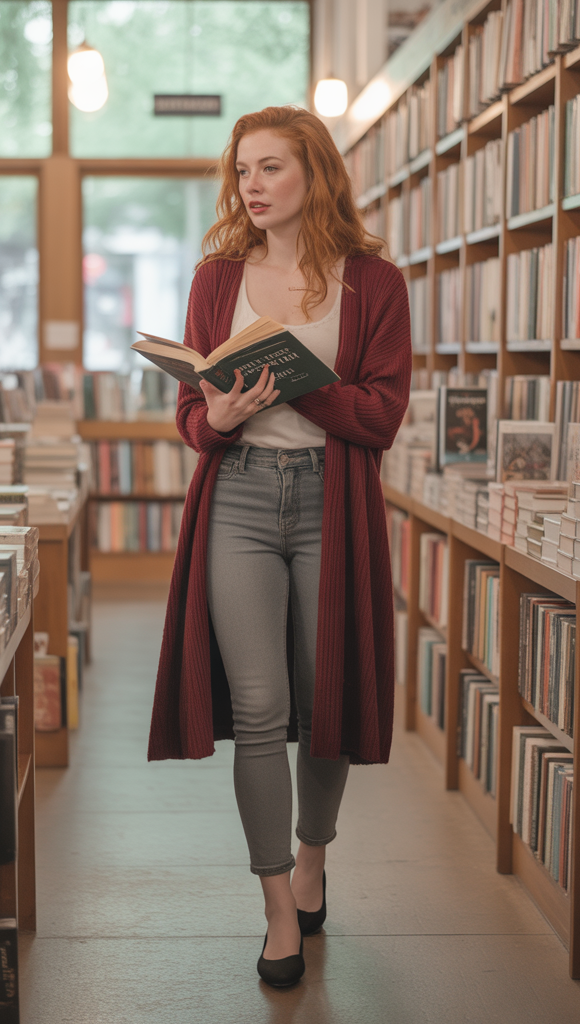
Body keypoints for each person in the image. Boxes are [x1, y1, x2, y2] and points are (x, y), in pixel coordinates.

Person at [148, 105, 412, 988]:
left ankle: (312, 858)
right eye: (243, 171)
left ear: (315, 174)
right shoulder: (217, 277)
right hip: (242, 499)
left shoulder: (373, 281)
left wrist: (304, 387)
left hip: (333, 504)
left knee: (321, 697)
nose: (252, 187)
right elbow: (193, 414)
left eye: (270, 169)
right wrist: (214, 416)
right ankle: (275, 910)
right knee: (259, 708)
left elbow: (380, 415)